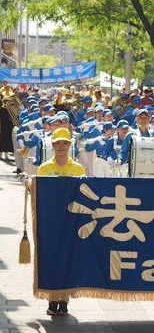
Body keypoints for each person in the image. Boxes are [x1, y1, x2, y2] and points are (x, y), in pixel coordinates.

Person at [36, 127, 85, 315]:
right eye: (58, 143)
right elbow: (38, 194)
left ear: (70, 145)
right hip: (50, 222)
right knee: (51, 260)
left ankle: (64, 300)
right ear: (53, 145)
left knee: (68, 260)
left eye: (65, 142)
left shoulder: (78, 168)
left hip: (71, 222)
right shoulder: (44, 168)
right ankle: (51, 300)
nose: (62, 146)